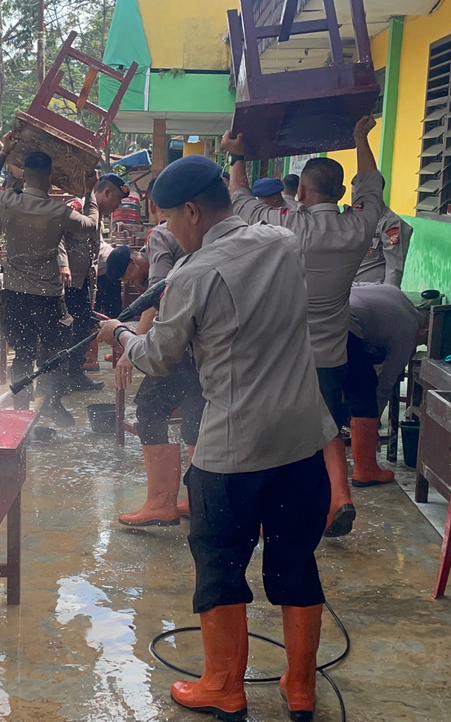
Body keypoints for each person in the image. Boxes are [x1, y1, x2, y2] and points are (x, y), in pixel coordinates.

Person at [98, 155, 336, 722]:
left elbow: (159, 358)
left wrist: (121, 333)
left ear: (191, 211)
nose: (169, 232)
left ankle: (225, 687)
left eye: (168, 221)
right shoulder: (283, 242)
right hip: (301, 442)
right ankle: (300, 686)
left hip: (233, 452)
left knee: (221, 566)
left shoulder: (192, 275)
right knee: (296, 561)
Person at [224, 116, 384, 539]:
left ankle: (277, 509)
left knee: (274, 433)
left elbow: (240, 200)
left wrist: (237, 155)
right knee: (327, 427)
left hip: (282, 354)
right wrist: (360, 138)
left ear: (302, 194)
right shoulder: (358, 227)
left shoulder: (288, 226)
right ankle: (339, 497)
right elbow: (372, 187)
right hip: (330, 354)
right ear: (341, 193)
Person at [0, 132, 99, 426]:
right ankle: (52, 404)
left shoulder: (8, 202)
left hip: (15, 294)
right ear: (49, 178)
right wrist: (89, 191)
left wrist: (4, 152)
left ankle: (21, 412)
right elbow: (92, 225)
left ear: (26, 175)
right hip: (48, 297)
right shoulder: (59, 212)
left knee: (22, 354)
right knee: (54, 353)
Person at [110, 208, 204, 527]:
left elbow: (157, 298)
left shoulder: (161, 237)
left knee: (151, 408)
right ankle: (198, 497)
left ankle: (162, 503)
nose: (130, 282)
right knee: (196, 410)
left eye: (128, 276)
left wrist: (129, 348)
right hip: (207, 343)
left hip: (182, 342)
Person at [347, 284, 424, 486]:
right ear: (425, 330)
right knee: (364, 391)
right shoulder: (408, 331)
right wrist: (373, 426)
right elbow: (386, 383)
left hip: (323, 313)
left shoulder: (397, 295)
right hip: (346, 324)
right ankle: (365, 470)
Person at [62, 174, 129, 392]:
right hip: (68, 283)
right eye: (117, 200)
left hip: (84, 282)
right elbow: (57, 236)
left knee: (82, 328)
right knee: (67, 330)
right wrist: (63, 266)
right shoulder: (77, 207)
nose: (118, 206)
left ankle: (75, 374)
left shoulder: (97, 216)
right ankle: (60, 379)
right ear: (107, 193)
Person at [354, 194, 413, 287]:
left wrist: (388, 292)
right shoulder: (352, 218)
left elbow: (394, 270)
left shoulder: (390, 223)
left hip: (369, 290)